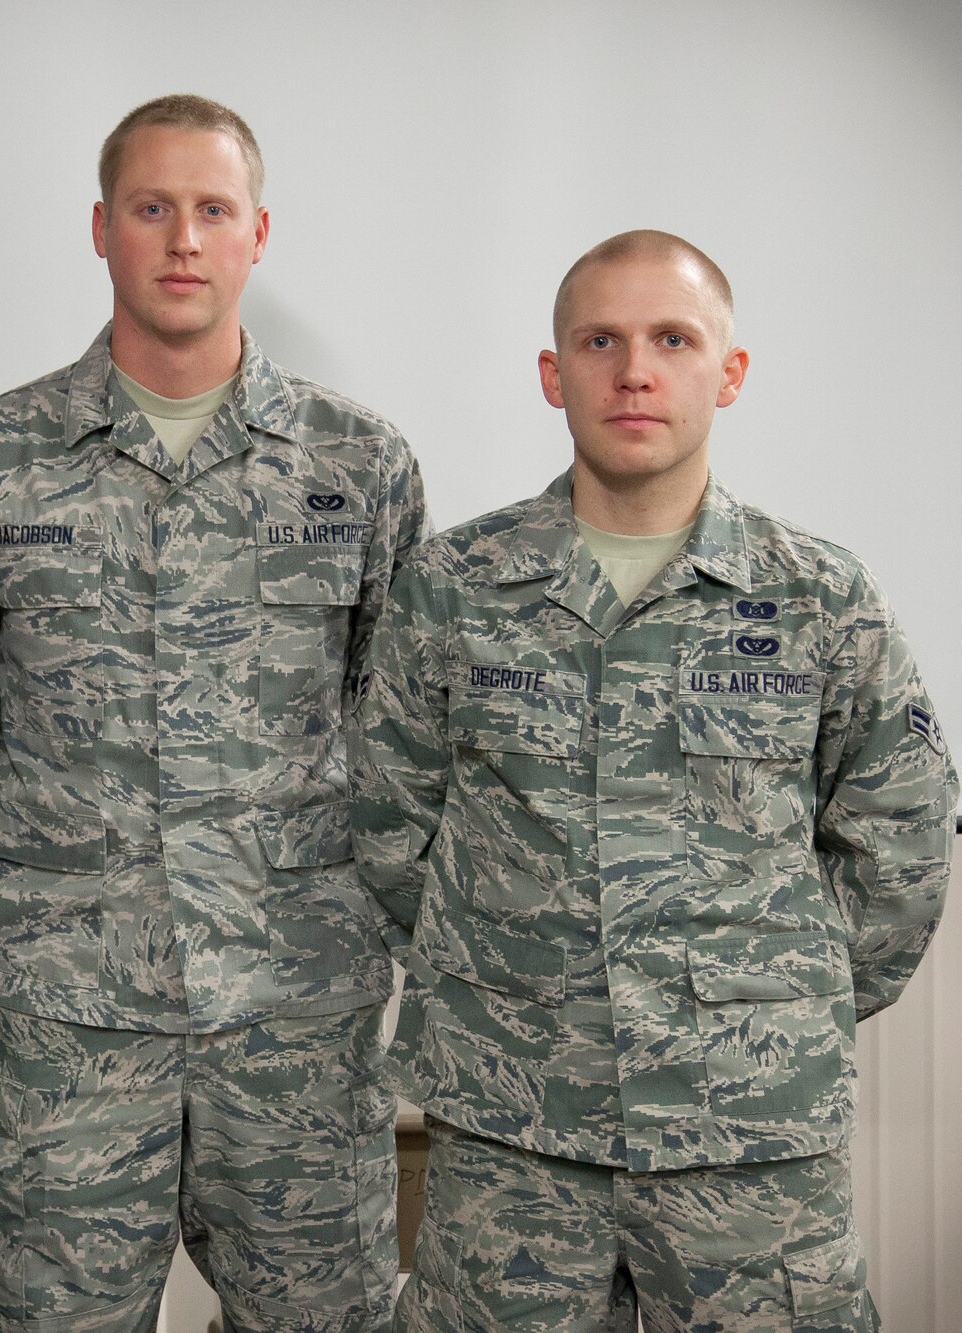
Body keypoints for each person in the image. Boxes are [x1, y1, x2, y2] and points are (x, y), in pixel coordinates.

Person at [353, 229, 956, 1331]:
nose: (634, 369)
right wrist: (516, 983)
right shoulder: (455, 586)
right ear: (553, 374)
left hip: (748, 1142)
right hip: (514, 1130)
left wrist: (770, 998)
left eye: (671, 338)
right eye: (600, 340)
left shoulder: (818, 597)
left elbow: (901, 838)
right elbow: (390, 822)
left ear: (725, 371)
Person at [0, 94, 426, 1331]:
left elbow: (401, 737)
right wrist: (63, 880)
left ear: (258, 233)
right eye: (151, 209)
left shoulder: (357, 465)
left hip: (295, 1020)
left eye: (210, 210)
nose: (181, 239)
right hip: (69, 1032)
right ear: (100, 229)